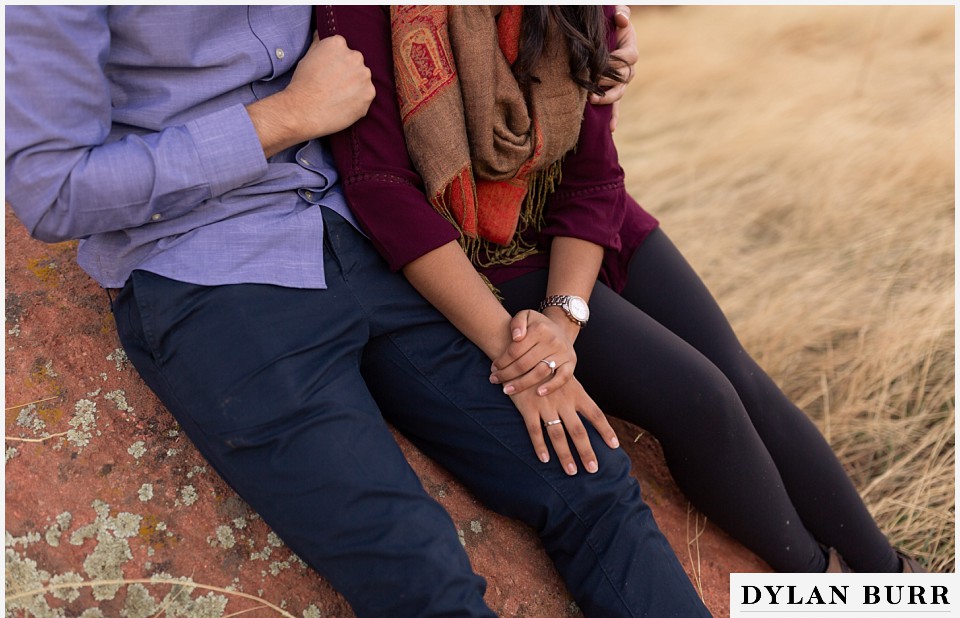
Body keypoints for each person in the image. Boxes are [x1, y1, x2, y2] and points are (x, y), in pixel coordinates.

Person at [5, 5, 724, 618]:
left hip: (366, 240)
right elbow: (51, 188)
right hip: (211, 277)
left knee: (589, 476)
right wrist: (284, 118)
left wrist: (583, 31)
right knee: (425, 583)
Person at [320, 5, 926, 575]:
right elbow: (381, 188)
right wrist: (523, 347)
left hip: (580, 220)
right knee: (702, 398)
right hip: (473, 251)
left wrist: (564, 319)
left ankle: (897, 585)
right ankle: (830, 598)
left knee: (742, 379)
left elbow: (591, 178)